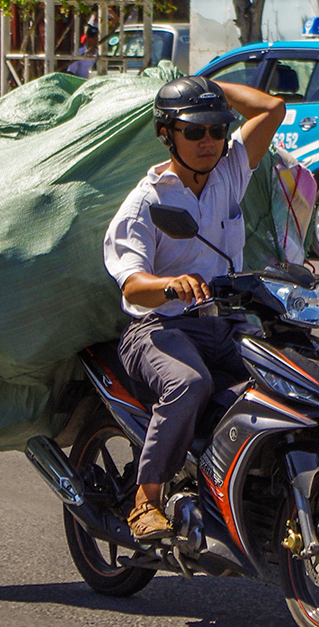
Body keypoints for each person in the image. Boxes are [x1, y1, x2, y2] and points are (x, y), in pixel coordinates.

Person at [103, 76, 285, 539]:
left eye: (217, 130)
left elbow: (272, 109)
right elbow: (132, 285)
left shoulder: (228, 174)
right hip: (157, 330)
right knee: (189, 383)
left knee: (287, 382)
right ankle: (146, 500)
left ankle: (248, 493)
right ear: (167, 134)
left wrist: (211, 81)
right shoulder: (146, 202)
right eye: (194, 131)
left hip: (222, 324)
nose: (209, 141)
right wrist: (170, 286)